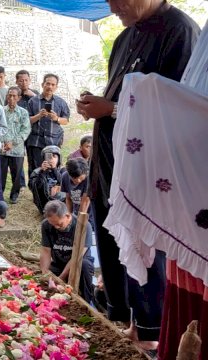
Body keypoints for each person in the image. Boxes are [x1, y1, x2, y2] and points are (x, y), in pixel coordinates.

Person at [75, 0, 199, 352]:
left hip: (150, 175)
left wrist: (111, 109)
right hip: (111, 167)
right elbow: (127, 96)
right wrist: (100, 104)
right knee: (115, 247)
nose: (113, 6)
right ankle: (131, 322)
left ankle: (150, 331)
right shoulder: (125, 37)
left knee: (146, 248)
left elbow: (182, 109)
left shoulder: (180, 32)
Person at [40, 200, 94, 303]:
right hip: (58, 264)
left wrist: (61, 278)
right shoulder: (46, 225)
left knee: (84, 265)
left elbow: (76, 257)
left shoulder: (83, 225)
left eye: (59, 224)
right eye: (53, 224)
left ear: (67, 216)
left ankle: (86, 302)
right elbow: (46, 251)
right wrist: (45, 273)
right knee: (45, 286)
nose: (56, 227)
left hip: (79, 264)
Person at [26, 74, 70, 171]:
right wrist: (39, 115)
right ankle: (35, 186)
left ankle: (52, 186)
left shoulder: (61, 102)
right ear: (43, 84)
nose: (50, 87)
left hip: (53, 141)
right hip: (36, 141)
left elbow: (66, 120)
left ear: (56, 87)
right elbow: (27, 121)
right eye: (48, 84)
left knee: (52, 168)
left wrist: (56, 118)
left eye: (53, 85)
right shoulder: (33, 101)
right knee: (36, 169)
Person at [0, 87, 30, 204]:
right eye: (9, 95)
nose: (11, 98)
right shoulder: (1, 110)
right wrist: (4, 142)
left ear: (19, 98)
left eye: (14, 96)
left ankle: (14, 194)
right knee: (1, 173)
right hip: (2, 149)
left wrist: (13, 143)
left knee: (16, 174)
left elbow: (25, 130)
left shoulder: (23, 112)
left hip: (17, 149)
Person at [29, 145, 65, 214]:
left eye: (54, 156)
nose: (52, 159)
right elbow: (33, 188)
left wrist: (54, 169)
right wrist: (42, 173)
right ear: (44, 158)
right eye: (49, 157)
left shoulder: (63, 170)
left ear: (59, 158)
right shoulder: (37, 172)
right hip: (44, 203)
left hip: (61, 202)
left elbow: (65, 184)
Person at [62, 158, 95, 230]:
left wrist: (79, 225)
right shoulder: (65, 176)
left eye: (80, 178)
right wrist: (69, 217)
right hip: (76, 211)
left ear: (85, 173)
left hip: (89, 214)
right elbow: (68, 199)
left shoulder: (89, 179)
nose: (78, 181)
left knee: (86, 232)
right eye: (74, 178)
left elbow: (85, 203)